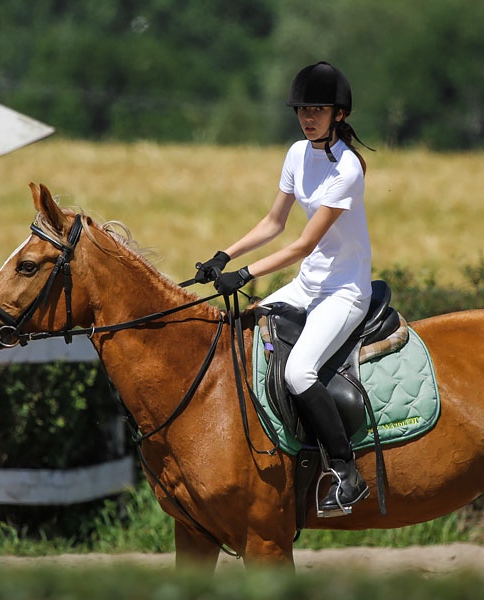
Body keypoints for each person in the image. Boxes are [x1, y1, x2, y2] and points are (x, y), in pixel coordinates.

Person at [194, 61, 373, 514]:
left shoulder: (348, 169)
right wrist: (224, 255)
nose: (307, 117)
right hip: (306, 286)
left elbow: (304, 242)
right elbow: (274, 222)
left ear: (340, 114)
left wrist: (247, 275)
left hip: (344, 293)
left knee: (298, 373)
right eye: (302, 109)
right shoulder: (297, 154)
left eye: (318, 109)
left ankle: (346, 472)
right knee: (237, 334)